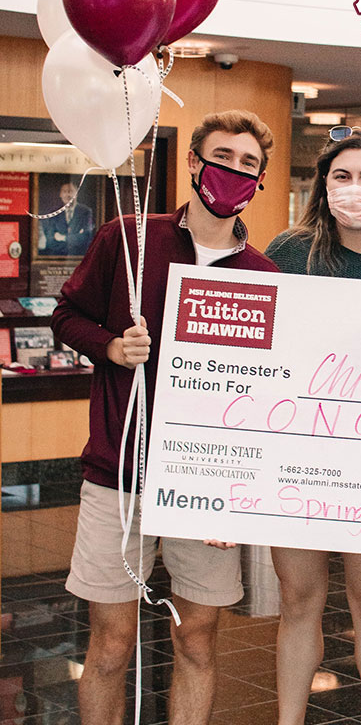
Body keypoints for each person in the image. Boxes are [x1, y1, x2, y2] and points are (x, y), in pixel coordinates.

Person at [52, 110, 278, 725]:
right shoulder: (127, 238)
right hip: (116, 475)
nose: (233, 172)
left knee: (197, 638)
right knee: (110, 643)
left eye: (248, 165)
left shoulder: (264, 277)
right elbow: (66, 314)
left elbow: (262, 398)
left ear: (261, 179)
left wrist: (240, 493)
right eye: (221, 158)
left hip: (205, 485)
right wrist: (108, 345)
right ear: (193, 162)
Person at [265, 125, 361, 725]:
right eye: (341, 176)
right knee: (298, 600)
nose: (354, 189)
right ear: (322, 186)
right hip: (298, 452)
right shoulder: (289, 254)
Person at [41, 180, 95, 256]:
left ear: (77, 193)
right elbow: (50, 241)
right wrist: (75, 238)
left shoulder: (86, 212)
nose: (67, 195)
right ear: (60, 194)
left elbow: (86, 237)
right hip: (57, 257)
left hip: (79, 257)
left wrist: (63, 238)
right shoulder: (54, 213)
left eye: (70, 191)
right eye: (64, 191)